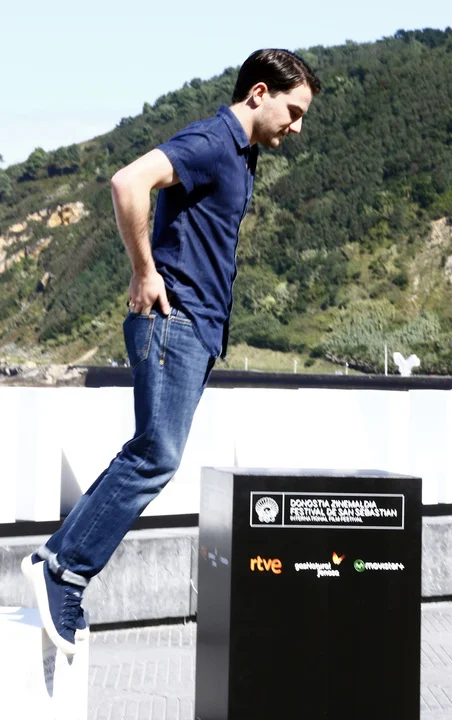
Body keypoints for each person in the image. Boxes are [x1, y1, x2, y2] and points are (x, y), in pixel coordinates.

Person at [21, 48, 320, 655]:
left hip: (194, 330)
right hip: (172, 320)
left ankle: (57, 563)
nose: (296, 127)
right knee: (155, 455)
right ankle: (63, 571)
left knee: (149, 453)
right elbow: (127, 182)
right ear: (259, 93)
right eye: (294, 112)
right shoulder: (212, 140)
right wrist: (144, 271)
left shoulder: (242, 156)